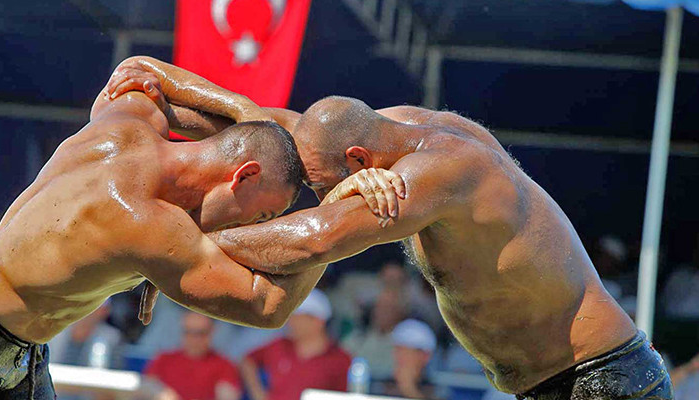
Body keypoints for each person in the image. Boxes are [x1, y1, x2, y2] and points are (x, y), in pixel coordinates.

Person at [111, 58, 672, 399]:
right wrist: (156, 83)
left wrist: (165, 250)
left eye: (330, 186)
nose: (326, 195)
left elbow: (315, 238)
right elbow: (263, 120)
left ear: (360, 161)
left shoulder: (443, 168)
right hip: (547, 383)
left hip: (603, 380)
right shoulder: (381, 131)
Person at [0, 56, 342, 400]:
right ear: (244, 176)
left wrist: (243, 110)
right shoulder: (145, 220)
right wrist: (338, 207)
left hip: (15, 349)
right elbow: (266, 304)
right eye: (262, 214)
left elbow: (140, 71)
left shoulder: (126, 126)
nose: (257, 227)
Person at [240, 290, 351, 400]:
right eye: (290, 317)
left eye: (298, 317)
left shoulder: (340, 360)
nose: (290, 322)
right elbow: (248, 360)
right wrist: (259, 394)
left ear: (318, 321)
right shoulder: (278, 345)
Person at [146, 312, 242, 400]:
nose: (194, 339)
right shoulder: (163, 359)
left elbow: (227, 396)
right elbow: (146, 391)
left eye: (201, 333)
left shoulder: (224, 366)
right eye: (189, 332)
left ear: (211, 333)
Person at [342, 288, 405, 380]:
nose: (383, 312)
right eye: (380, 307)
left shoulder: (405, 345)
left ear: (399, 313)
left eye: (389, 308)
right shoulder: (357, 339)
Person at [385, 319, 437, 399]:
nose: (398, 356)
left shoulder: (437, 388)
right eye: (397, 350)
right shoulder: (385, 383)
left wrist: (408, 389)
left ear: (425, 356)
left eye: (406, 352)